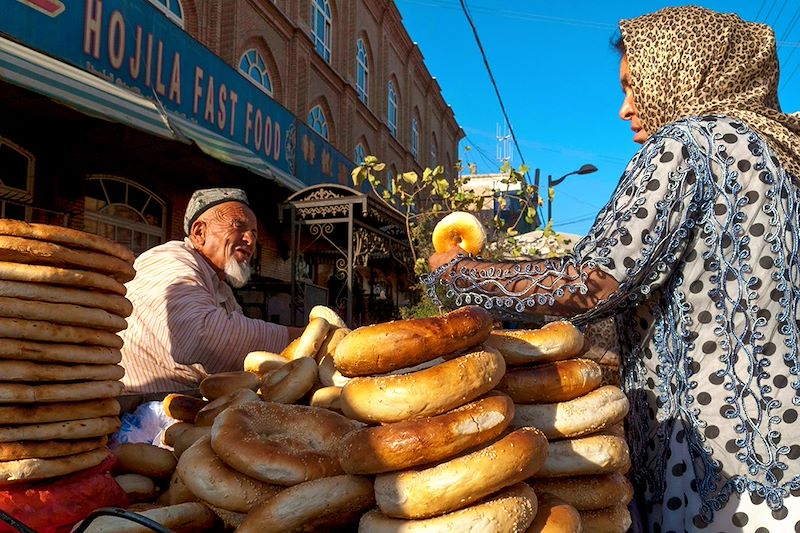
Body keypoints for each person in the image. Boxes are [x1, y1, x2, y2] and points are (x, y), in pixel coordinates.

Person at [426, 6, 800, 532]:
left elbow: (592, 284)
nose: (625, 109)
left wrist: (460, 274)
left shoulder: (688, 147)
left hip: (719, 468)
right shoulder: (780, 156)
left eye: (633, 84)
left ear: (678, 71)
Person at [120, 187, 302, 394]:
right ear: (199, 232)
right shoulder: (169, 259)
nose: (251, 241)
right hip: (139, 412)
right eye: (238, 226)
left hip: (185, 405)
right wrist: (300, 338)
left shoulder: (220, 288)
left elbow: (242, 359)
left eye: (254, 233)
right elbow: (202, 334)